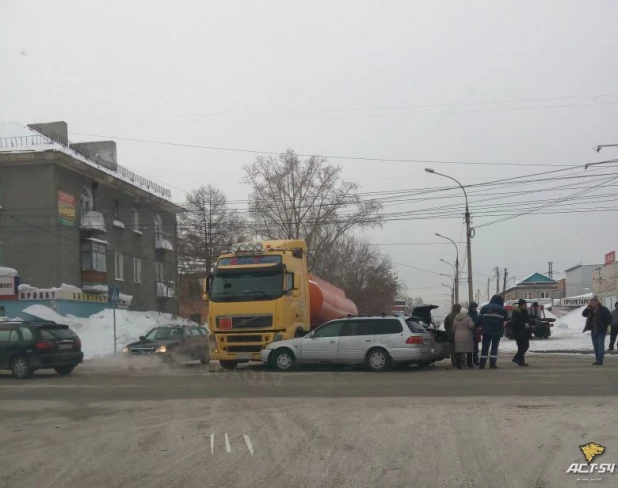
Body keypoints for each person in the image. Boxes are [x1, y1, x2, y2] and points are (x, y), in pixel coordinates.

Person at [478, 295, 508, 369]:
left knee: (485, 347)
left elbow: (480, 319)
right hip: (497, 331)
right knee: (494, 347)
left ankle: (482, 364)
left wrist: (479, 326)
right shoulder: (503, 309)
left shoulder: (484, 307)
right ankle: (492, 364)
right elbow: (505, 319)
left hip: (486, 331)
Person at [582, 296, 612, 365]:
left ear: (597, 302)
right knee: (595, 345)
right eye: (590, 303)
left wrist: (604, 326)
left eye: (592, 302)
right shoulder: (590, 310)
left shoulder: (603, 309)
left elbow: (609, 319)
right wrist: (587, 308)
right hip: (593, 330)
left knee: (600, 345)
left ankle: (600, 360)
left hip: (601, 330)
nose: (591, 304)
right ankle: (597, 359)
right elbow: (584, 314)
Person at [511, 299, 531, 366]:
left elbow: (527, 319)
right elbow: (515, 322)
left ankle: (520, 361)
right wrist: (524, 325)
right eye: (525, 305)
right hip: (518, 332)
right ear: (521, 305)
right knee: (522, 347)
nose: (526, 306)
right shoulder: (516, 312)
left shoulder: (525, 311)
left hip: (525, 332)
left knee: (525, 346)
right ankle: (517, 358)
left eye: (526, 305)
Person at [468, 301, 481, 366]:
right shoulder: (468, 315)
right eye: (474, 307)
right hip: (469, 333)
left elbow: (480, 323)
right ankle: (470, 362)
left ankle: (476, 361)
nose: (475, 308)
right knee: (470, 349)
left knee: (476, 349)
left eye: (476, 307)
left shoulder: (477, 315)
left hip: (476, 333)